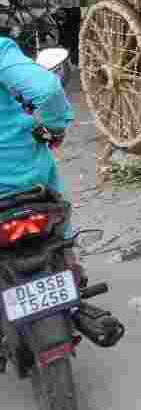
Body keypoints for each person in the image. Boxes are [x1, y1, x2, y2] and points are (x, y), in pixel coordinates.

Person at [0, 36, 80, 281]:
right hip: (27, 180)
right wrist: (55, 127)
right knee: (56, 213)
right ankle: (68, 260)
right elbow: (46, 88)